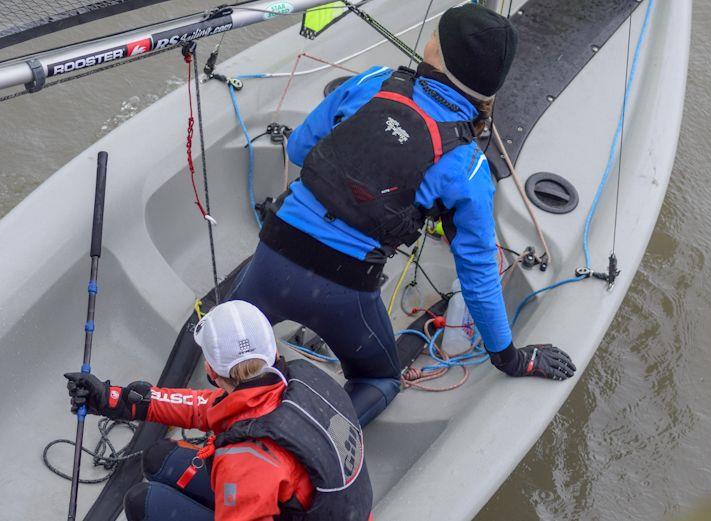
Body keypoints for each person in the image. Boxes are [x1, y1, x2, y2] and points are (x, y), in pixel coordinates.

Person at [226, 3, 576, 427]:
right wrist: (511, 358)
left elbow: (300, 148)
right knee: (381, 378)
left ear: (436, 56)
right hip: (344, 290)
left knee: (229, 339)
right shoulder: (468, 167)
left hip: (274, 258)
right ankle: (303, 446)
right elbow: (479, 275)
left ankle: (227, 403)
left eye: (434, 36)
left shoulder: (374, 81)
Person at [65, 300, 372, 521]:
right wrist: (114, 399)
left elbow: (249, 470)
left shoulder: (246, 459)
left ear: (212, 371)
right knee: (158, 458)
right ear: (273, 352)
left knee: (142, 503)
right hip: (318, 505)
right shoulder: (296, 383)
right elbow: (207, 408)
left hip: (267, 492)